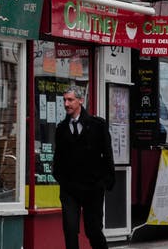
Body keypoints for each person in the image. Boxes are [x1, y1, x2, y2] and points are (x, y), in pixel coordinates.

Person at [53, 87, 115, 249]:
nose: (66, 104)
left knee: (93, 230)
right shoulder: (61, 129)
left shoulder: (97, 125)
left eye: (70, 100)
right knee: (70, 229)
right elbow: (58, 158)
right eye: (64, 100)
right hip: (70, 188)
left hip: (92, 187)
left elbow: (108, 153)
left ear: (80, 101)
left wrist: (105, 181)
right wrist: (61, 178)